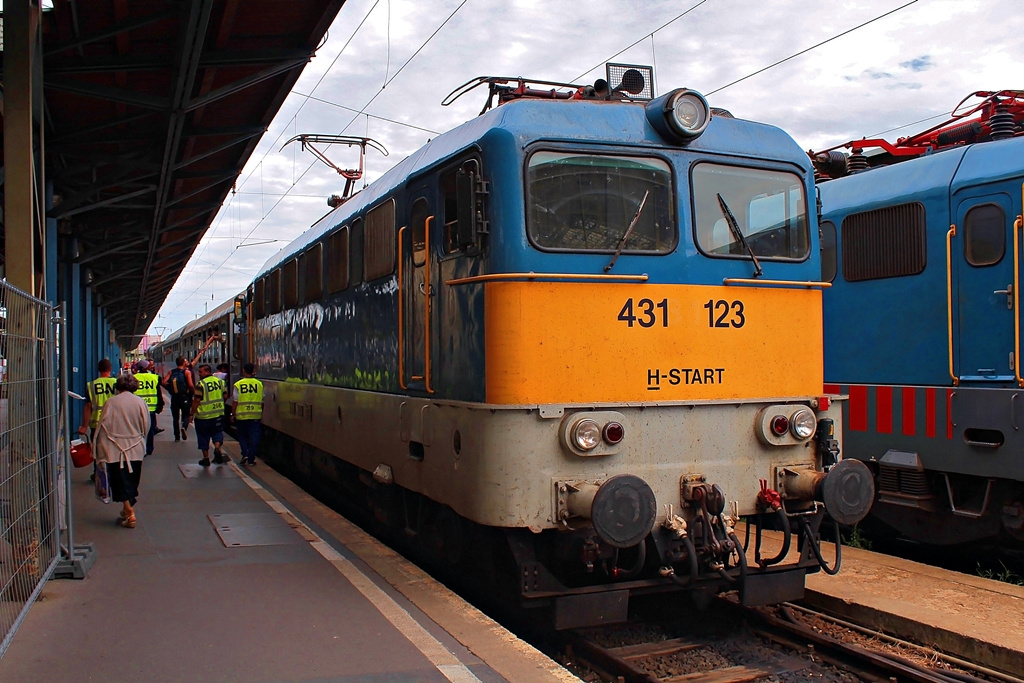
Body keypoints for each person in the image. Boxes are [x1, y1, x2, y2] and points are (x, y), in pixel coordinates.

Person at [93, 372, 150, 529]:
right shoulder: (140, 402)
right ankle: (126, 510)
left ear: (118, 386)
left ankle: (130, 513)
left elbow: (102, 426)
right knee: (132, 480)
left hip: (114, 449)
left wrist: (97, 449)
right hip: (135, 447)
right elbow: (146, 426)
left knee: (119, 481)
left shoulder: (111, 402)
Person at [190, 363, 227, 466]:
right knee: (217, 433)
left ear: (207, 371)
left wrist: (191, 413)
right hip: (218, 414)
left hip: (203, 416)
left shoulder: (200, 384)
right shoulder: (221, 382)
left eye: (200, 372)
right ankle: (217, 447)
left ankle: (206, 458)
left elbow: (196, 400)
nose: (199, 374)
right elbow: (225, 396)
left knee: (203, 437)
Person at [230, 363, 263, 466]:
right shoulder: (259, 384)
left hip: (241, 415)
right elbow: (262, 401)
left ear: (244, 371)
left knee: (242, 436)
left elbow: (235, 401)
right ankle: (251, 459)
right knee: (254, 437)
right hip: (255, 415)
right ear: (253, 371)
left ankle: (245, 453)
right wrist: (261, 413)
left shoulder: (238, 384)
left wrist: (232, 414)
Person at [162, 355, 195, 441]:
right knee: (186, 415)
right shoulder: (187, 372)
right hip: (184, 396)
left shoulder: (171, 372)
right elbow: (191, 385)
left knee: (175, 418)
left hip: (174, 398)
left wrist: (171, 389)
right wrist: (193, 392)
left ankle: (177, 437)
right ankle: (184, 427)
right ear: (183, 362)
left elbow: (163, 382)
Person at [133, 359, 162, 456]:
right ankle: (149, 448)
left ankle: (140, 447)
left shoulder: (133, 378)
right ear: (146, 367)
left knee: (138, 429)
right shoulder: (154, 377)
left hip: (137, 408)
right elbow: (159, 393)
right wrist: (160, 405)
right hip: (151, 408)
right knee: (150, 429)